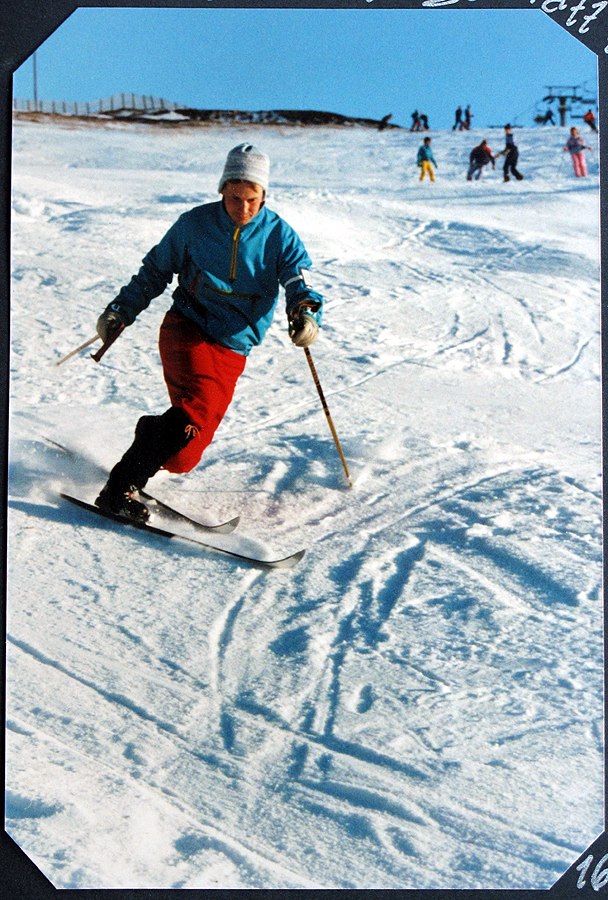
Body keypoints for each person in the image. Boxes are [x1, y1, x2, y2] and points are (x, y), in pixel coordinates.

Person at [93, 143, 325, 522]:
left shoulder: (279, 236)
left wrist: (305, 311)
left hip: (234, 346)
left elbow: (298, 278)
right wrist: (121, 309)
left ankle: (152, 435)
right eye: (235, 198)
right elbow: (155, 270)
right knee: (195, 408)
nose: (244, 208)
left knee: (185, 454)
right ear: (222, 190)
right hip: (189, 327)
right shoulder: (194, 225)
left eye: (252, 199)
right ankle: (120, 486)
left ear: (264, 195)